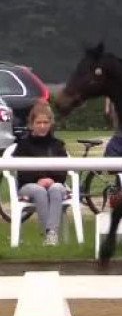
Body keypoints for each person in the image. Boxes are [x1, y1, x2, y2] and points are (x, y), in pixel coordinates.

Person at [13, 101, 68, 246]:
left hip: (55, 184)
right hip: (29, 186)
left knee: (56, 189)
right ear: (32, 124)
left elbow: (64, 171)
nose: (42, 126)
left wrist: (50, 179)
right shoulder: (23, 146)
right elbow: (21, 172)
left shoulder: (57, 145)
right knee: (39, 191)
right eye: (39, 122)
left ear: (51, 123)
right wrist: (39, 180)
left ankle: (51, 234)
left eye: (45, 122)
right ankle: (48, 234)